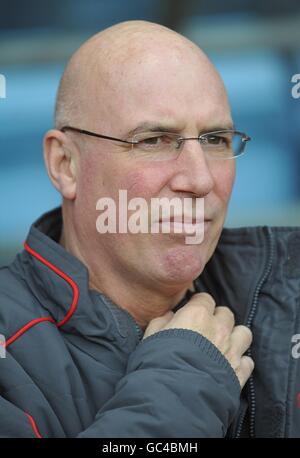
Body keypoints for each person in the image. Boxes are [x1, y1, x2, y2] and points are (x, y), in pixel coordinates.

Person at [0, 20, 299, 438]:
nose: (199, 180)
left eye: (215, 139)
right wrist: (186, 380)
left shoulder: (290, 294)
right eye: (155, 140)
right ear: (65, 164)